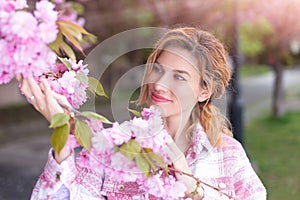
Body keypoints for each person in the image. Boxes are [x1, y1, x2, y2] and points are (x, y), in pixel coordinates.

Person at [18, 27, 267, 200]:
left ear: (204, 91)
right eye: (158, 69)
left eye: (179, 76)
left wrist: (194, 189)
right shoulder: (114, 147)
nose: (159, 84)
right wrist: (62, 136)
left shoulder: (228, 156)